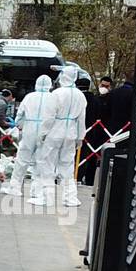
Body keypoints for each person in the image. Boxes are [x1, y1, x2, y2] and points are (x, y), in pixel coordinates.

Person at [37, 66, 89, 208]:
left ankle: (46, 197)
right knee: (67, 165)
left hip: (54, 132)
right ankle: (70, 198)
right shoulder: (80, 95)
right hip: (71, 133)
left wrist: (43, 133)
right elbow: (81, 119)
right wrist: (80, 137)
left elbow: (49, 117)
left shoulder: (57, 94)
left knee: (47, 164)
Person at [4, 75, 53, 199]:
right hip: (45, 130)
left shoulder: (29, 97)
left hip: (29, 129)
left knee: (22, 159)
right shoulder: (53, 98)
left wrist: (19, 124)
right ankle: (37, 190)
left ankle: (14, 187)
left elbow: (20, 114)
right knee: (42, 160)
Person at [79, 76, 104, 186]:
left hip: (77, 130)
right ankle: (83, 176)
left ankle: (75, 174)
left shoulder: (78, 98)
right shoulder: (96, 100)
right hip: (91, 131)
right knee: (86, 155)